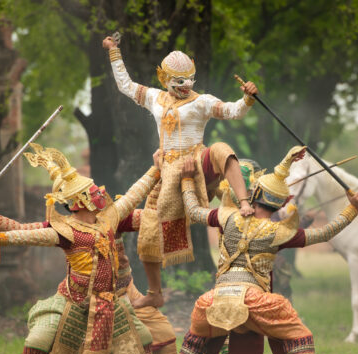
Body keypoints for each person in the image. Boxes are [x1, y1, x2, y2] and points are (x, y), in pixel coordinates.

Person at [175, 146, 358, 354]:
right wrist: (352, 209)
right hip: (254, 301)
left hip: (213, 300)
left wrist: (186, 179)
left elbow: (193, 210)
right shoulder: (280, 231)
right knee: (300, 337)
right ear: (279, 204)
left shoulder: (226, 215)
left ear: (254, 194)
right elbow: (326, 232)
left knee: (192, 342)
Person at [0, 143, 160, 354]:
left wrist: (155, 169)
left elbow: (133, 195)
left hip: (108, 303)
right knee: (39, 340)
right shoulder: (66, 231)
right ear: (82, 200)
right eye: (93, 191)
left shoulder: (108, 219)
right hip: (73, 302)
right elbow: (26, 234)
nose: (100, 192)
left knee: (142, 340)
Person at [103, 35, 259, 309]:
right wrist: (114, 52)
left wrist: (246, 98)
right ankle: (155, 293)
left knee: (222, 148)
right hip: (165, 174)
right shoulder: (154, 97)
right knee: (150, 231)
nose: (186, 86)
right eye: (178, 81)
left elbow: (233, 111)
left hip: (196, 164)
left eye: (190, 79)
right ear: (165, 79)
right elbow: (125, 86)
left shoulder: (203, 102)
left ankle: (244, 201)